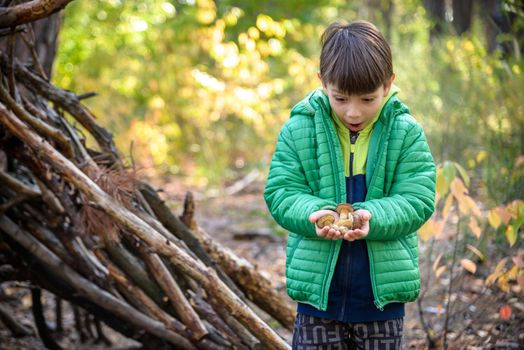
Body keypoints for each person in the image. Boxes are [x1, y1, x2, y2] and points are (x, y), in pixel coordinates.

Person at [264, 20, 436, 349]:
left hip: (381, 300)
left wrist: (373, 217)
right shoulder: (299, 129)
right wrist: (313, 213)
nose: (353, 112)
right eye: (340, 98)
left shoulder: (405, 132)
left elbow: (417, 198)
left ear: (388, 85)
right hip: (318, 296)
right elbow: (281, 191)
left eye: (367, 99)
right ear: (322, 83)